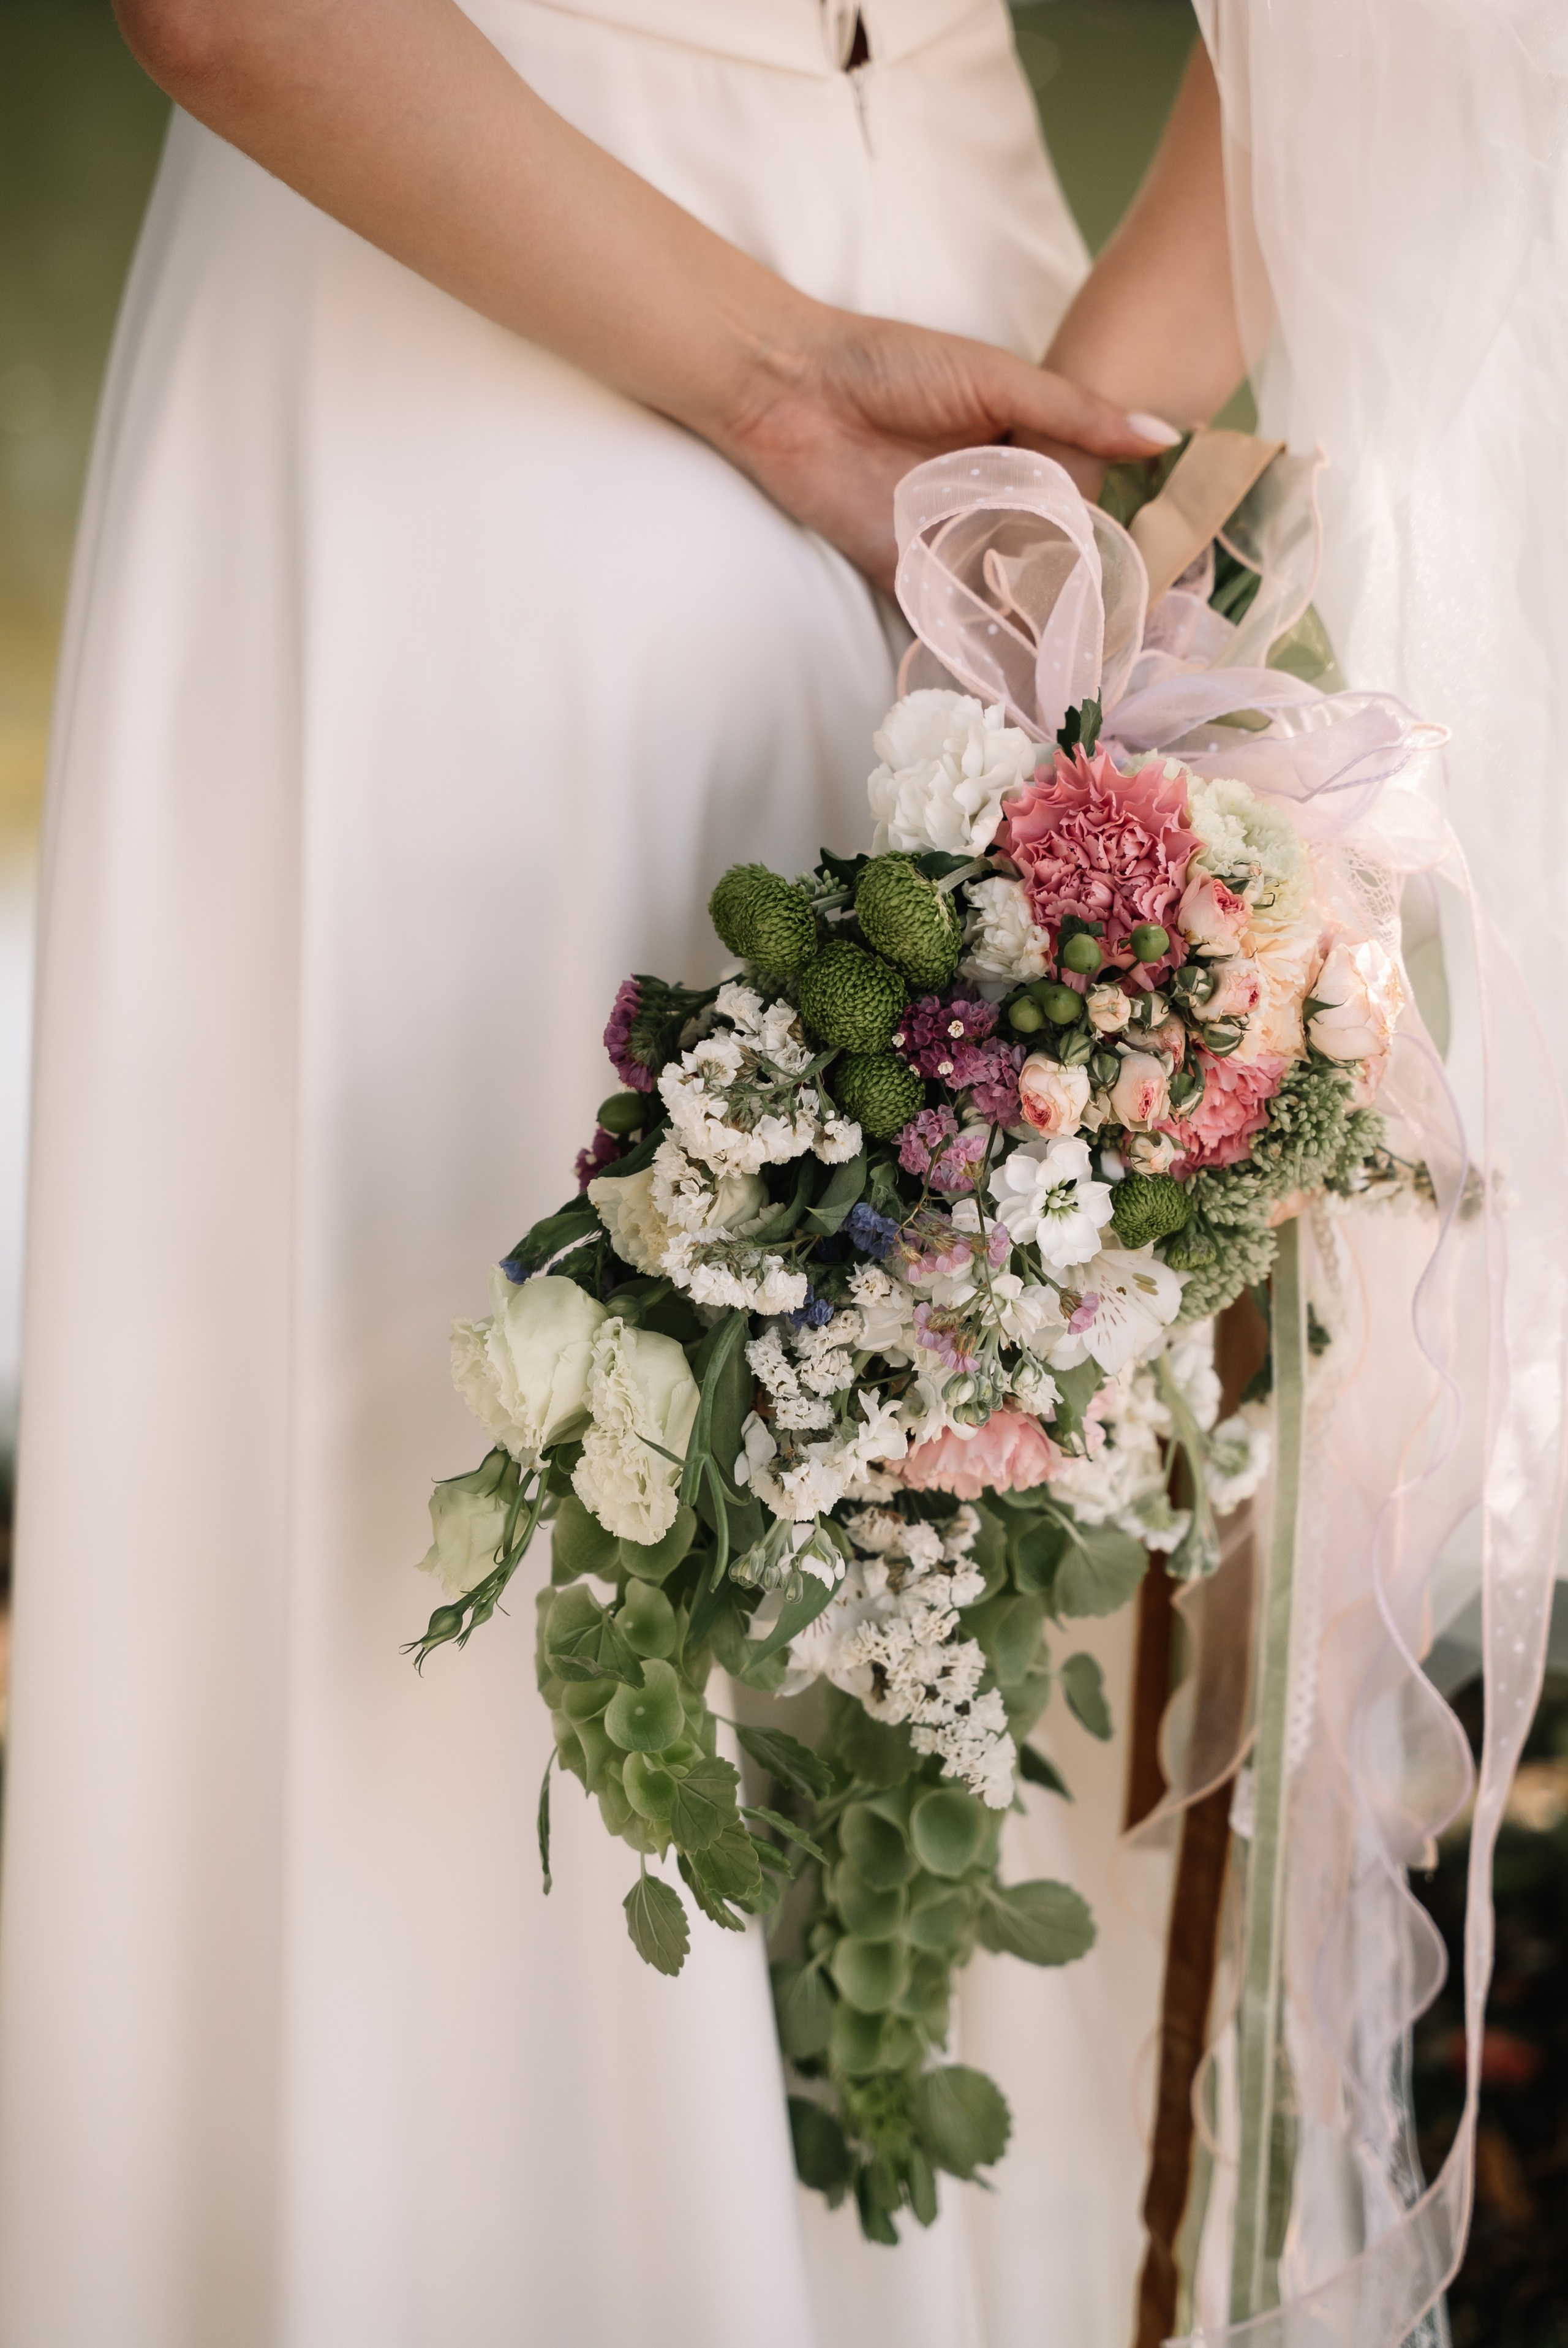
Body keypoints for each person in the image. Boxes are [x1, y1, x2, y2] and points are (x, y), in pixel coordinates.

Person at [0, 6, 1248, 2343]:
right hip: (994, 356)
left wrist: (796, 396)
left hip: (443, 325)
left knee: (429, 1586)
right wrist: (1068, 526)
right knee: (934, 1540)